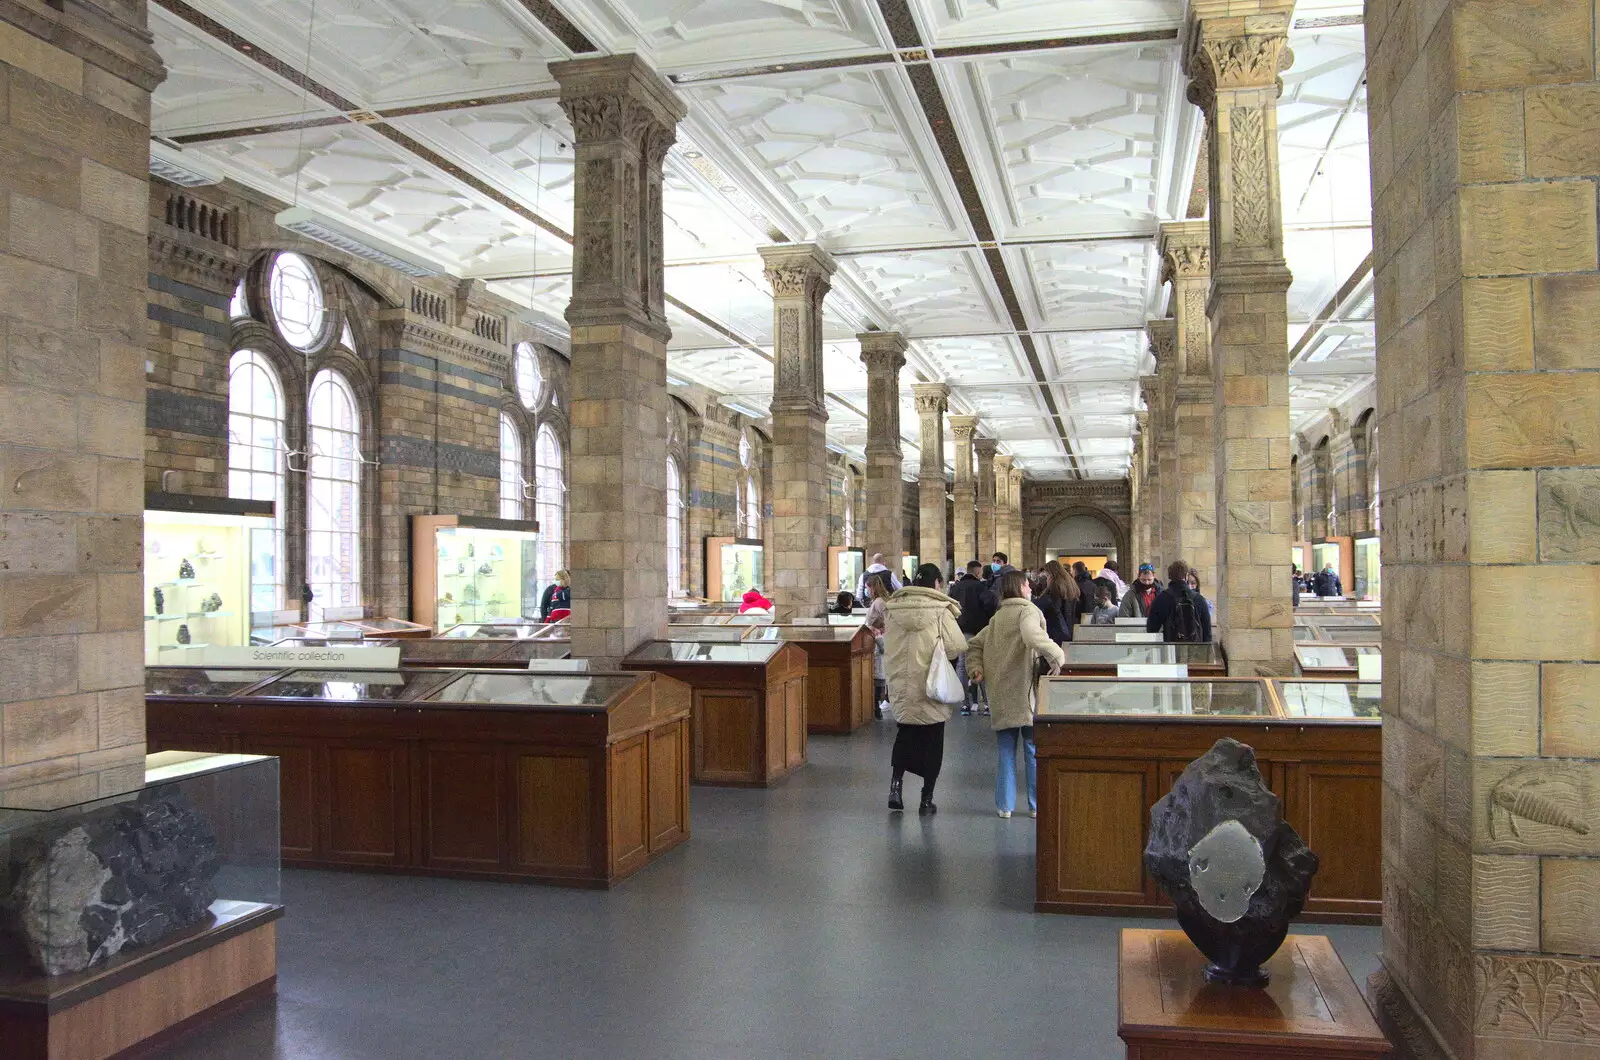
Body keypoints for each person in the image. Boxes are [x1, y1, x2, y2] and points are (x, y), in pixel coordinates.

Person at [965, 569, 1064, 819]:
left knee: (1006, 751)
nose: (1031, 589)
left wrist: (976, 668)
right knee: (1032, 749)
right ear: (1021, 588)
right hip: (1025, 692)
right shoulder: (1027, 611)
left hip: (1001, 692)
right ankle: (1035, 804)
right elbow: (1032, 636)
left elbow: (974, 644)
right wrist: (1057, 655)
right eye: (1028, 586)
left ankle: (1005, 805)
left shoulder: (998, 618)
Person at [883, 563, 966, 815]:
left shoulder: (893, 609)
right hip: (931, 685)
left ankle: (896, 786)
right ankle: (926, 799)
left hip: (901, 684)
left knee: (904, 733)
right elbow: (956, 646)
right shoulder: (942, 611)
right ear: (937, 584)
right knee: (933, 741)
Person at [948, 559, 996, 717]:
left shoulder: (955, 588)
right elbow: (991, 605)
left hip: (960, 632)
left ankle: (964, 705)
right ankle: (988, 704)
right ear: (977, 572)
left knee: (962, 667)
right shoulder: (980, 587)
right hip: (979, 632)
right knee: (983, 664)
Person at [1145, 560, 1212, 643]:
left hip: (1171, 650)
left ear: (1170, 576)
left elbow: (1151, 629)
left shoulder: (1161, 599)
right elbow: (1207, 633)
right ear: (1186, 576)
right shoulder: (1199, 599)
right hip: (1195, 650)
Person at [864, 573, 892, 718]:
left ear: (873, 588)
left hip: (879, 641)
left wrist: (880, 629)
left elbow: (888, 619)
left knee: (879, 676)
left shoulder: (880, 602)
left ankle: (878, 706)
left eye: (867, 588)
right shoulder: (877, 601)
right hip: (875, 640)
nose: (866, 591)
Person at [1034, 560, 1080, 645]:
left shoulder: (1055, 588)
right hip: (1069, 628)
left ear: (1051, 574)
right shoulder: (1070, 585)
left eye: (1047, 575)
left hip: (1056, 631)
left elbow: (1052, 608)